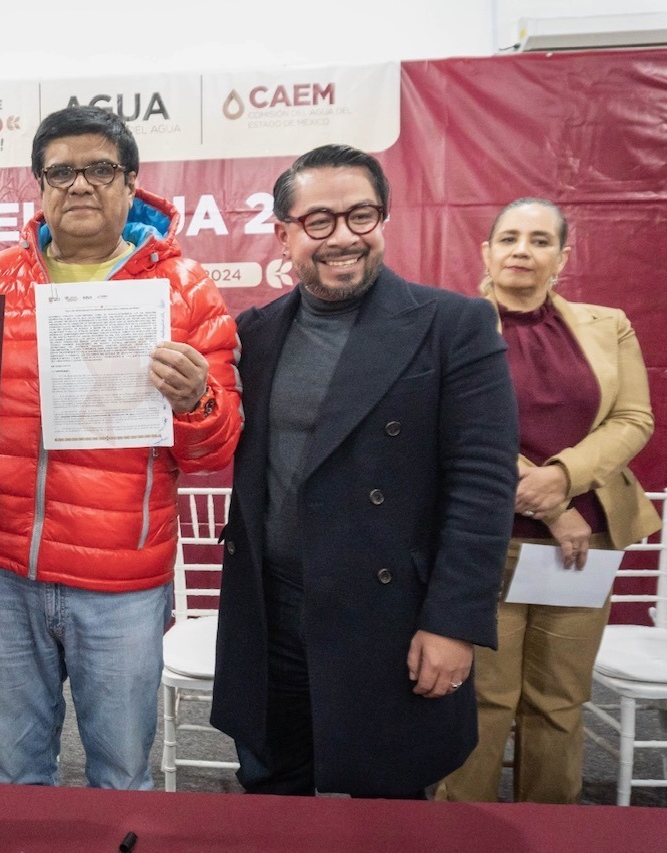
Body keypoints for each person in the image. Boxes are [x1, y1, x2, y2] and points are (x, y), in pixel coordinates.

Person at [210, 144, 520, 798]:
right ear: (284, 233)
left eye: (361, 215)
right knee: (273, 797)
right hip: (272, 615)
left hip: (390, 620)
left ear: (384, 220)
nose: (343, 236)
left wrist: (455, 622)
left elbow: (483, 487)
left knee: (388, 810)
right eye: (319, 220)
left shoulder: (453, 325)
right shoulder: (255, 334)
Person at [0, 106, 242, 790]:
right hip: (5, 574)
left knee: (120, 774)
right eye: (61, 171)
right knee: (14, 769)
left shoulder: (187, 291)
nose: (79, 184)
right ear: (39, 185)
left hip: (121, 584)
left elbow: (216, 448)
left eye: (99, 169)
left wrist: (195, 400)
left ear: (130, 182)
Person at [437, 198, 659, 804]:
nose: (521, 250)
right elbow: (452, 424)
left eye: (539, 241)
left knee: (559, 705)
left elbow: (634, 418)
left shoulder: (606, 325)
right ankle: (460, 839)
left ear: (562, 256)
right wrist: (549, 503)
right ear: (485, 251)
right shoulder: (452, 324)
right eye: (508, 238)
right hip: (485, 543)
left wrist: (564, 477)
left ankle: (554, 833)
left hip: (580, 550)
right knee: (483, 702)